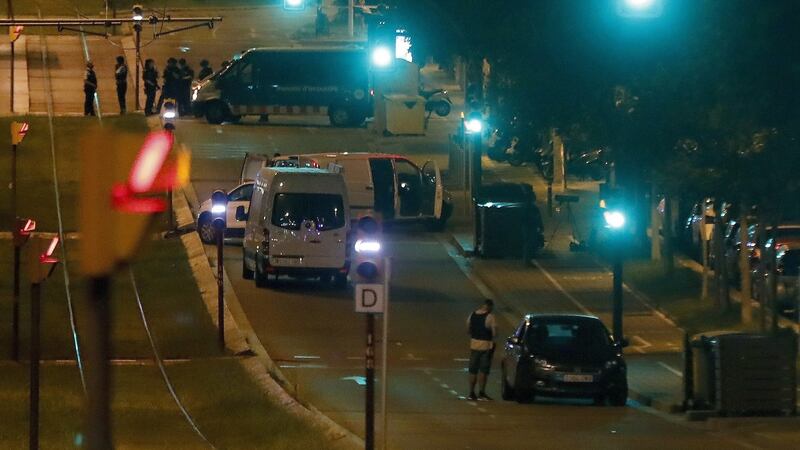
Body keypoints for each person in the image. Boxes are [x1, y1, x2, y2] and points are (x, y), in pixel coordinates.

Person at [466, 299, 497, 401]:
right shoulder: (490, 317)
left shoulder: (472, 315)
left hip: (474, 345)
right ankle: (482, 393)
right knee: (483, 370)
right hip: (485, 346)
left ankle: (471, 393)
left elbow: (468, 329)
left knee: (472, 370)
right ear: (490, 306)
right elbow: (494, 333)